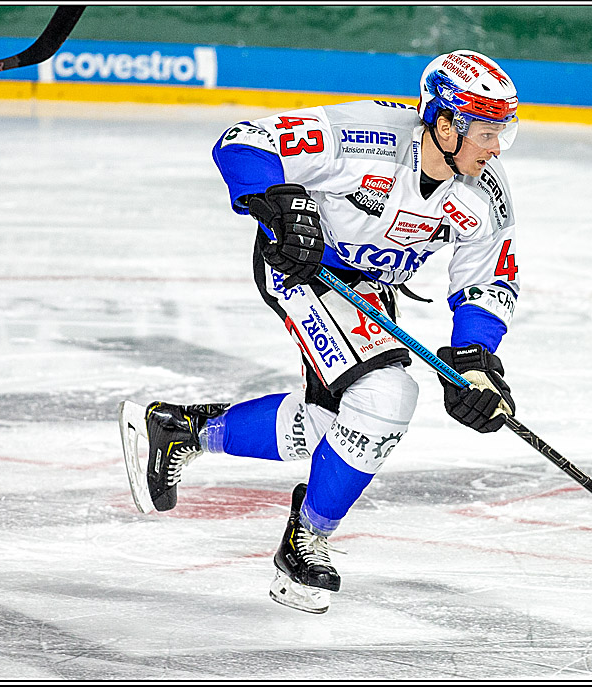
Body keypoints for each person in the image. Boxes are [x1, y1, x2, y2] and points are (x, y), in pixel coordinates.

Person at [120, 50, 521, 614]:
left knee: (330, 428)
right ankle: (304, 540)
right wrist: (281, 206)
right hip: (304, 268)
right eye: (485, 132)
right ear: (446, 123)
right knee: (385, 396)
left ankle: (184, 430)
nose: (496, 147)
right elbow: (243, 141)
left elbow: (487, 278)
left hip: (370, 288)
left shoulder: (483, 193)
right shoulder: (366, 136)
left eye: (503, 132)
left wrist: (475, 360)